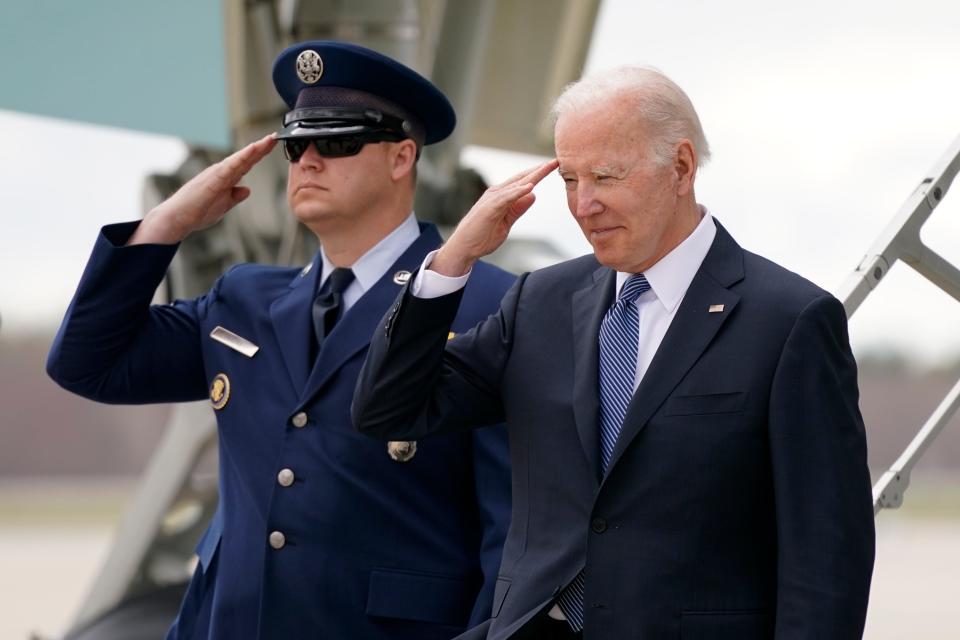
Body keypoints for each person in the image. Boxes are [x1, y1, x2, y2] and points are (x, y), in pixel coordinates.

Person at [353, 66, 876, 639]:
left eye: (604, 176)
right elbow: (388, 409)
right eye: (569, 179)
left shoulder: (789, 320)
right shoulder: (539, 302)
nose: (583, 205)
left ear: (680, 167)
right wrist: (453, 260)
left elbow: (825, 557)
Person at [47, 41, 514, 640]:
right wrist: (167, 227)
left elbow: (514, 530)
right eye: (297, 145)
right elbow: (89, 363)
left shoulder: (487, 305)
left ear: (402, 158)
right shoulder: (244, 299)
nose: (308, 162)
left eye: (338, 142)